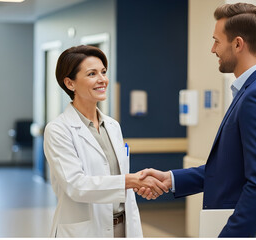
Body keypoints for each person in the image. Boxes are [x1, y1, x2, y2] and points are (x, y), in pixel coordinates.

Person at [136, 2, 256, 237]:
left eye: (217, 41)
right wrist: (170, 179)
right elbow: (228, 169)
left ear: (238, 44)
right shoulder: (255, 90)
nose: (213, 49)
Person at [43, 45, 168, 238]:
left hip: (123, 228)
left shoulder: (112, 126)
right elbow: (76, 186)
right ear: (70, 83)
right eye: (92, 74)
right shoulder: (58, 130)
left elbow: (117, 176)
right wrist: (131, 181)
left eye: (103, 72)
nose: (102, 79)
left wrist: (136, 184)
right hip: (85, 231)